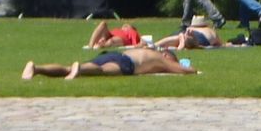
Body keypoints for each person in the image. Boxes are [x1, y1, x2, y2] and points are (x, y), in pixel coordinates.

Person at [23, 44, 198, 81]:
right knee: (102, 70)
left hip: (112, 54)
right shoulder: (161, 58)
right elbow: (184, 70)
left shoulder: (144, 50)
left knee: (67, 69)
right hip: (126, 63)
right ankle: (81, 69)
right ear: (167, 55)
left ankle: (36, 69)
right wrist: (192, 69)